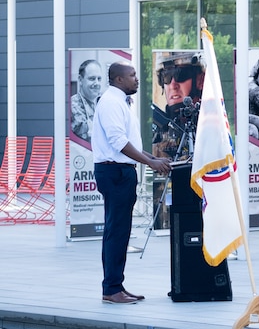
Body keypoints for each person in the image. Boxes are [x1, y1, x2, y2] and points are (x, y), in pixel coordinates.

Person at [92, 62, 172, 304]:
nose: (137, 79)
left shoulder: (119, 102)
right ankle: (111, 289)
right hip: (114, 172)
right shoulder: (111, 103)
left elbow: (130, 144)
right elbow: (118, 143)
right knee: (117, 231)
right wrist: (150, 164)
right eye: (132, 75)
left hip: (120, 171)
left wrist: (152, 158)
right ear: (118, 80)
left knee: (120, 231)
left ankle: (116, 285)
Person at [152, 52, 205, 160]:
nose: (173, 85)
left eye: (181, 75)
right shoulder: (156, 125)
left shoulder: (210, 121)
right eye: (166, 77)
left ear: (200, 80)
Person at [70, 59, 103, 142]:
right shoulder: (73, 105)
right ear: (80, 80)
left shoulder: (100, 103)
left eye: (99, 79)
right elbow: (89, 137)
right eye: (92, 79)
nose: (97, 83)